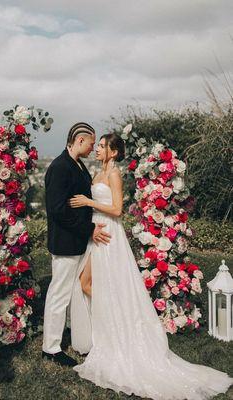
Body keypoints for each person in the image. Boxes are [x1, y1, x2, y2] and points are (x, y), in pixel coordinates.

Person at [68, 133, 233, 399]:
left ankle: (118, 327)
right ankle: (112, 322)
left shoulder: (114, 175)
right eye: (96, 145)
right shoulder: (97, 174)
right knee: (86, 283)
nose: (97, 148)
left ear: (112, 151)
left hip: (109, 232)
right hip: (95, 231)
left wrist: (87, 202)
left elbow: (118, 209)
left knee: (97, 282)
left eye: (101, 146)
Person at [42, 122, 111, 367]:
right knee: (59, 294)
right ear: (80, 140)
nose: (93, 148)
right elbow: (58, 209)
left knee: (71, 291)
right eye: (92, 143)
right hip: (65, 242)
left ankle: (70, 332)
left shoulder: (77, 165)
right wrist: (90, 228)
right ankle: (50, 347)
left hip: (77, 241)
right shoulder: (60, 168)